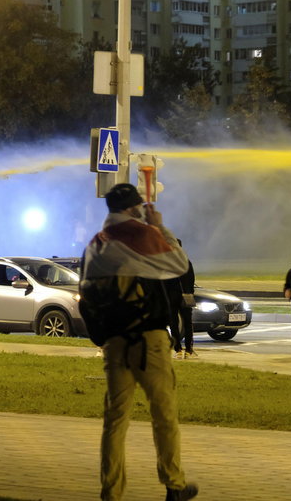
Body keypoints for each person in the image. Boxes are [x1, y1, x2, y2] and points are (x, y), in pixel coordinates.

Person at [80, 183, 198, 501]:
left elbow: (87, 296)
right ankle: (174, 485)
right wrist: (157, 225)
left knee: (115, 420)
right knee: (164, 415)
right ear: (134, 208)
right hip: (150, 339)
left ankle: (111, 492)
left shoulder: (95, 245)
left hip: (115, 343)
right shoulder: (141, 235)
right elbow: (179, 265)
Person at [178, 259, 197, 359]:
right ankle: (188, 349)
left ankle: (179, 349)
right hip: (186, 296)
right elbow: (191, 279)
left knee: (175, 323)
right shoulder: (187, 262)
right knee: (187, 322)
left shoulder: (168, 261)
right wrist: (190, 293)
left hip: (175, 297)